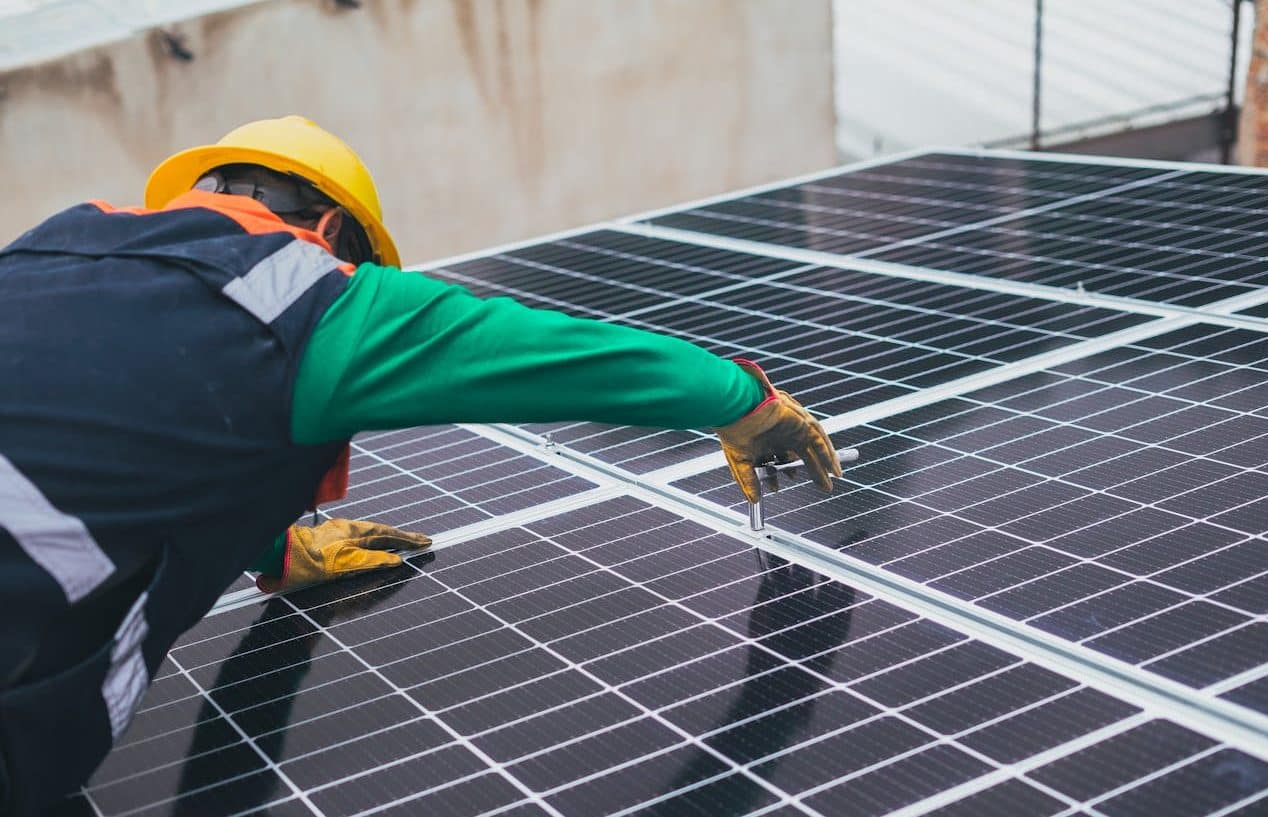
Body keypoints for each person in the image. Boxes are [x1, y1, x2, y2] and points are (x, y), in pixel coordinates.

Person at [0, 115, 840, 815]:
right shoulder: (312, 293)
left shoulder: (50, 245)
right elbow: (561, 354)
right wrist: (745, 403)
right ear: (334, 231)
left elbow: (126, 415)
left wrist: (276, 548)